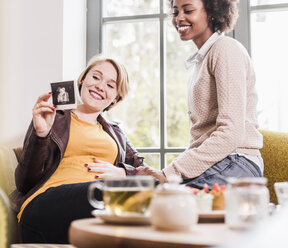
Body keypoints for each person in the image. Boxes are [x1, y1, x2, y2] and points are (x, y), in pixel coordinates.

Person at [12, 54, 146, 244]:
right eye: (96, 77)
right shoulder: (53, 117)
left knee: (158, 191)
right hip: (47, 203)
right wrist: (40, 134)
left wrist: (123, 172)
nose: (100, 86)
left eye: (110, 85)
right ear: (83, 79)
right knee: (106, 193)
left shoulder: (116, 134)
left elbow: (145, 174)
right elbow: (24, 182)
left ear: (115, 98)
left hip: (99, 206)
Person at [136, 0, 263, 188]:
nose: (179, 18)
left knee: (169, 205)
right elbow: (202, 138)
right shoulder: (200, 62)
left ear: (212, 12)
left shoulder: (225, 49)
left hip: (236, 161)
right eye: (175, 12)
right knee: (150, 202)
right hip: (217, 162)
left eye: (188, 10)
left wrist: (169, 173)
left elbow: (230, 133)